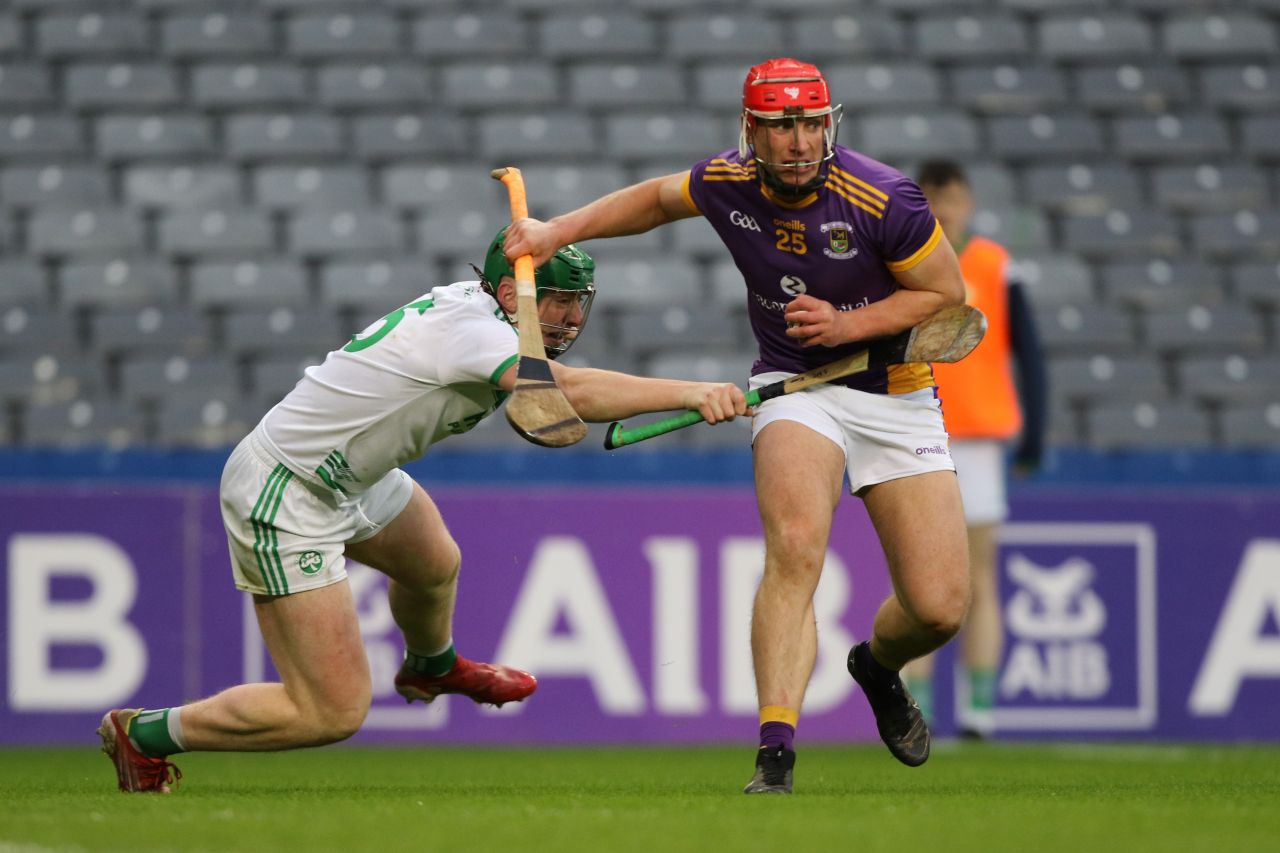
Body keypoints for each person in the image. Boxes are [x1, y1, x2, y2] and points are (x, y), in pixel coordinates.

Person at [98, 227, 748, 793]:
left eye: (577, 304)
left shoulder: (486, 311)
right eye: (555, 301)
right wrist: (690, 392)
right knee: (330, 710)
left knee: (433, 561)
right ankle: (148, 732)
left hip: (353, 474)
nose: (569, 320)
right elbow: (566, 389)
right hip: (288, 487)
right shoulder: (472, 332)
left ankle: (431, 663)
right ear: (507, 294)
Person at [504, 57, 970, 794]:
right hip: (794, 388)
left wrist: (850, 320)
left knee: (940, 608)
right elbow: (655, 201)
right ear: (751, 128)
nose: (797, 140)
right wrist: (556, 230)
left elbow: (948, 297)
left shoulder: (886, 197)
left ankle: (875, 666)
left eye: (810, 123)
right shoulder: (728, 181)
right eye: (781, 125)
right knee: (793, 549)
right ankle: (775, 754)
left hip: (895, 391)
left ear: (829, 123)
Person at [902, 160, 1047, 739]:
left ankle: (981, 710)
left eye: (953, 200)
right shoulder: (902, 262)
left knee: (980, 576)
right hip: (918, 426)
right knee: (920, 578)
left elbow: (1029, 352)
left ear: (968, 203)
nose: (944, 211)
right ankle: (918, 707)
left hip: (981, 436)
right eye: (934, 200)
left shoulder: (992, 265)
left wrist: (1035, 432)